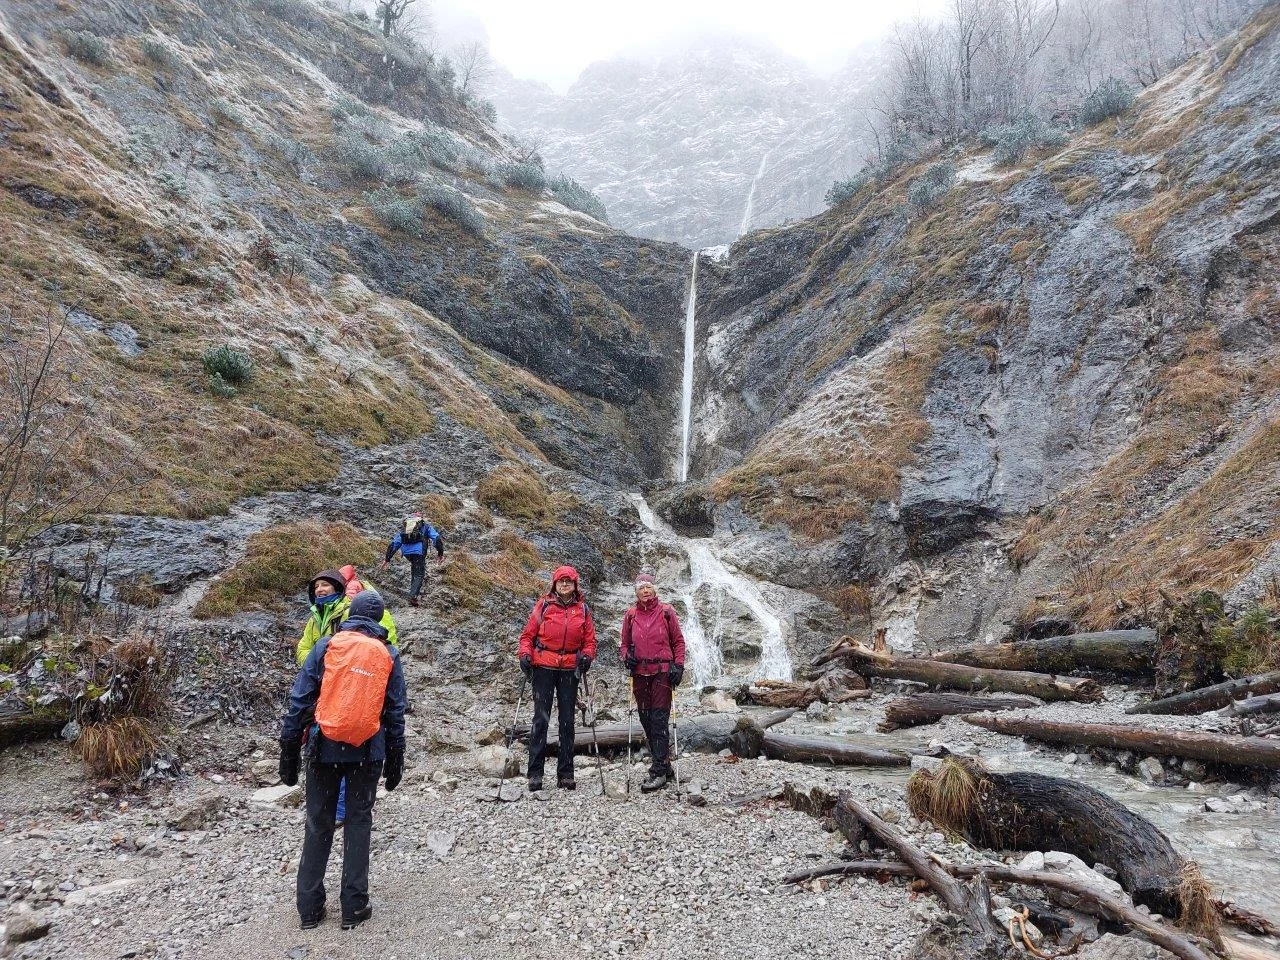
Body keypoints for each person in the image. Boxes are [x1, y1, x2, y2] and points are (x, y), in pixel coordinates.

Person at [279, 590, 407, 931]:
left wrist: (289, 747)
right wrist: (396, 757)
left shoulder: (325, 646)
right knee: (358, 822)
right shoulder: (388, 653)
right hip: (368, 751)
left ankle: (309, 909)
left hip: (325, 748)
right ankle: (353, 907)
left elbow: (301, 701)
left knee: (318, 823)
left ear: (351, 613)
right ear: (379, 619)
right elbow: (395, 712)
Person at [296, 570, 399, 826]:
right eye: (317, 585)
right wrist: (320, 666)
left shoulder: (347, 611)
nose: (320, 589)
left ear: (340, 589)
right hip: (327, 682)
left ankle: (339, 809)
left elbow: (384, 646)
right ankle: (336, 808)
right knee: (333, 737)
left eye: (326, 585)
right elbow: (304, 647)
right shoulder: (317, 616)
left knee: (344, 734)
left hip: (351, 682)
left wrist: (323, 665)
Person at [517, 565, 596, 791]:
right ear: (554, 584)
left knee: (567, 722)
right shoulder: (543, 606)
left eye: (568, 582)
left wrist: (588, 656)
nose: (564, 585)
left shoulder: (582, 610)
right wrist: (525, 655)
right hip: (543, 666)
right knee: (540, 719)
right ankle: (535, 774)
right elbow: (527, 636)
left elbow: (589, 641)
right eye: (561, 581)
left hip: (570, 669)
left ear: (574, 585)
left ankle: (566, 773)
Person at [620, 573, 685, 792]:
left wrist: (679, 665)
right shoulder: (630, 615)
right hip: (639, 672)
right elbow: (624, 644)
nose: (645, 590)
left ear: (654, 589)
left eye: (648, 587)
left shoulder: (667, 612)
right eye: (641, 588)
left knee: (659, 719)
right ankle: (665, 764)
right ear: (636, 592)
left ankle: (658, 770)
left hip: (662, 672)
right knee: (646, 719)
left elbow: (677, 641)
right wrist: (626, 656)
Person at [379, 513, 444, 607]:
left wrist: (387, 559)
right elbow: (436, 539)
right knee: (419, 573)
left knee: (415, 569)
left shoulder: (405, 527)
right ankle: (413, 596)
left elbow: (394, 544)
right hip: (419, 552)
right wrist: (440, 554)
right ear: (420, 518)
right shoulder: (425, 526)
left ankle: (412, 593)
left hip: (406, 553)